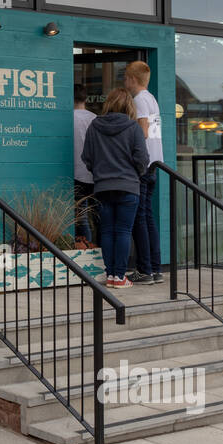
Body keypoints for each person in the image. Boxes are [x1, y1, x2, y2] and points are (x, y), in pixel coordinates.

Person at [81, 87, 149, 288]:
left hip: (102, 187)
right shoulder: (133, 127)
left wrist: (99, 173)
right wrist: (137, 174)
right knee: (123, 231)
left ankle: (111, 275)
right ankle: (120, 276)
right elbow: (142, 159)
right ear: (129, 105)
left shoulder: (94, 126)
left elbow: (87, 157)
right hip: (128, 186)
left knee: (107, 231)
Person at [123, 60, 163, 285]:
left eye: (125, 77)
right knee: (148, 217)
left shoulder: (138, 100)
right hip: (155, 163)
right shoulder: (151, 98)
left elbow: (143, 132)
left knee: (140, 217)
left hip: (143, 166)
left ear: (132, 79)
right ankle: (155, 269)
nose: (124, 82)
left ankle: (144, 270)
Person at [71, 84, 98, 245]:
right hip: (95, 174)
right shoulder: (95, 118)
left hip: (76, 172)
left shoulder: (69, 119)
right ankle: (99, 251)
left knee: (80, 218)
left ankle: (85, 248)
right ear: (86, 99)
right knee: (98, 217)